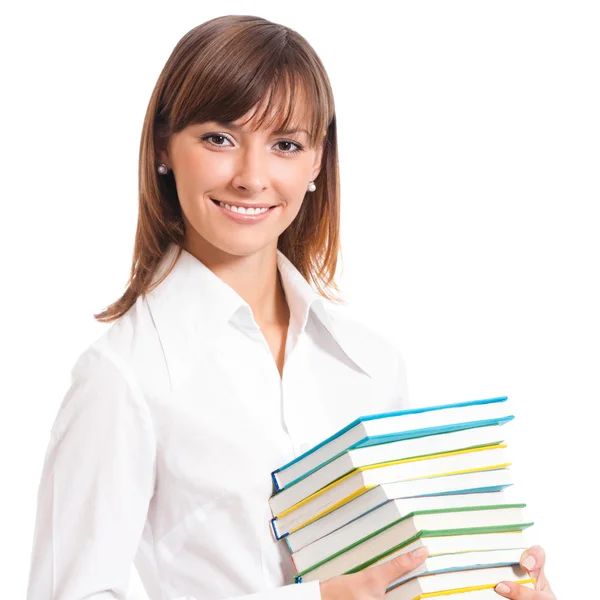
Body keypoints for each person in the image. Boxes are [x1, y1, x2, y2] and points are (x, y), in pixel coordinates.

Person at [25, 14, 556, 600]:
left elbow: (397, 580)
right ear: (163, 148)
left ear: (316, 162)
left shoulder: (372, 365)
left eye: (285, 144)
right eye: (219, 138)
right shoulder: (122, 376)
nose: (253, 177)